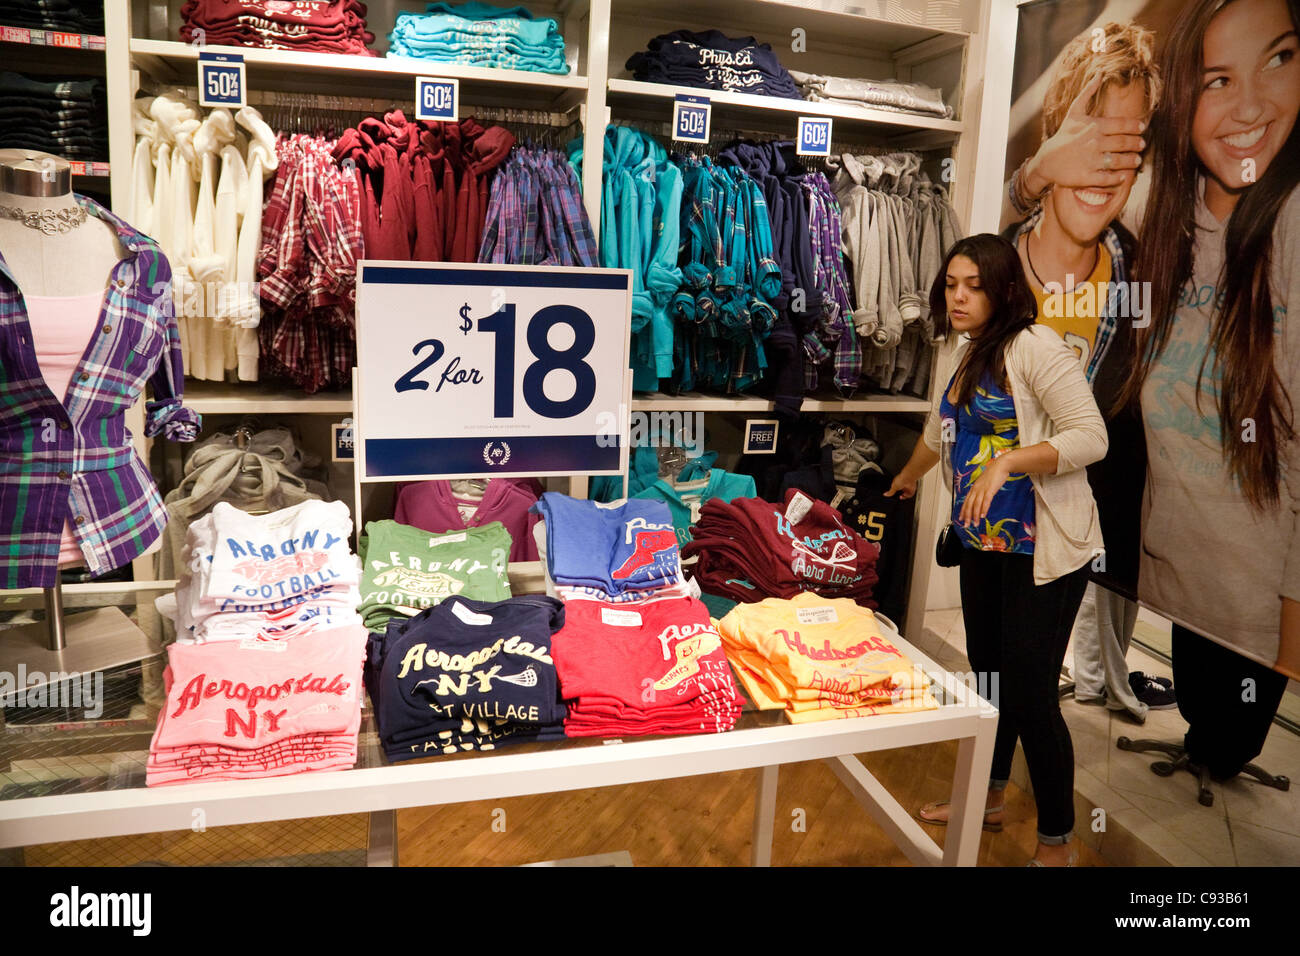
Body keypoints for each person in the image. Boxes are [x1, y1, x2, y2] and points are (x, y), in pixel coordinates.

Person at [1118, 0, 1300, 777]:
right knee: (1203, 713)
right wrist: (1033, 171)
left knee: (1230, 732)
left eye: (1281, 58)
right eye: (1218, 77)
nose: (1252, 104)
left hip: (1258, 594)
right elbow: (1029, 225)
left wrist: (1293, 623)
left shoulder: (1293, 223)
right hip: (1181, 567)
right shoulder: (1169, 213)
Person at [887, 234, 1108, 866]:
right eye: (952, 284)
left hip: (1044, 548)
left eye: (973, 286)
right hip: (983, 542)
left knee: (1032, 692)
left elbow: (1090, 438)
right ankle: (985, 795)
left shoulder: (1035, 348)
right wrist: (908, 476)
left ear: (1005, 289)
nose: (958, 296)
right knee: (988, 677)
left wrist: (1008, 461)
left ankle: (1057, 840)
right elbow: (941, 430)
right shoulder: (965, 350)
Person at [1002, 21, 1170, 721]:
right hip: (999, 507)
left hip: (1076, 512)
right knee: (1000, 672)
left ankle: (1042, 823)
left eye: (1127, 145)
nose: (1106, 164)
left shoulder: (1140, 269)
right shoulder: (1001, 255)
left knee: (1030, 686)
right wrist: (1034, 175)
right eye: (1093, 135)